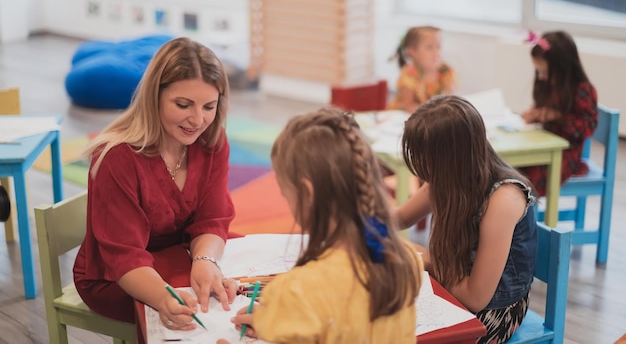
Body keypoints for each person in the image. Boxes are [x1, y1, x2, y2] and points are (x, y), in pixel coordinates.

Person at [73, 37, 239, 336]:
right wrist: (164, 298)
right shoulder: (117, 157)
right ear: (154, 97)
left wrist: (205, 260)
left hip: (179, 251)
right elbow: (124, 255)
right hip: (118, 275)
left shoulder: (212, 141)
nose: (198, 119)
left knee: (236, 289)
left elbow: (212, 220)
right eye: (183, 104)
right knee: (205, 313)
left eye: (209, 106)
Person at [227, 108, 423, 343]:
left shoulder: (297, 293)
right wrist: (278, 320)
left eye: (285, 193)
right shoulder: (405, 259)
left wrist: (281, 317)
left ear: (307, 193)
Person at [395, 95, 538, 344]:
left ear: (450, 158)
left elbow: (475, 297)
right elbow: (398, 218)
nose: (420, 167)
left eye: (424, 157)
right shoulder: (450, 178)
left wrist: (427, 261)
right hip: (450, 286)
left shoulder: (503, 199)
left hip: (495, 310)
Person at [520, 30, 598, 196]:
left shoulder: (581, 90)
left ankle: (529, 219)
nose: (541, 77)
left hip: (566, 155)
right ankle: (519, 216)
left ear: (562, 68)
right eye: (538, 71)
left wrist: (556, 117)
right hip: (545, 146)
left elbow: (587, 127)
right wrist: (536, 114)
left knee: (525, 178)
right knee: (510, 168)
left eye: (544, 72)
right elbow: (546, 109)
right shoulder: (549, 85)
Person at [387, 26, 455, 113]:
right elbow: (408, 106)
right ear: (411, 51)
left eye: (438, 47)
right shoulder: (409, 75)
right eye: (429, 47)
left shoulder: (446, 72)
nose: (436, 52)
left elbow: (450, 99)